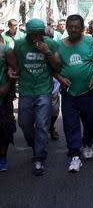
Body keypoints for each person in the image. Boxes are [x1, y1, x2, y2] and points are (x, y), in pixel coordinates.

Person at [7, 18, 60, 176]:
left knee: (43, 125)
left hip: (44, 89)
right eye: (34, 34)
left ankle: (39, 159)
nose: (37, 37)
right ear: (28, 33)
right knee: (24, 123)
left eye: (40, 33)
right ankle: (35, 144)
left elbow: (57, 66)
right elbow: (12, 59)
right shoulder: (20, 44)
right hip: (26, 90)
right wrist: (12, 69)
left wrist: (47, 52)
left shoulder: (50, 43)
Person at [55, 14, 93, 173]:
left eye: (76, 27)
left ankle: (87, 144)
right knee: (70, 124)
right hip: (69, 93)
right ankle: (75, 155)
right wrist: (60, 79)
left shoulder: (92, 42)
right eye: (70, 26)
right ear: (66, 27)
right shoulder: (59, 45)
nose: (73, 29)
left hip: (88, 91)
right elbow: (54, 68)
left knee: (91, 122)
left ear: (82, 28)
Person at [0, 34, 16, 171]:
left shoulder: (6, 51)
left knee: (4, 128)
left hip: (2, 96)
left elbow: (16, 69)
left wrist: (8, 86)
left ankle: (2, 157)